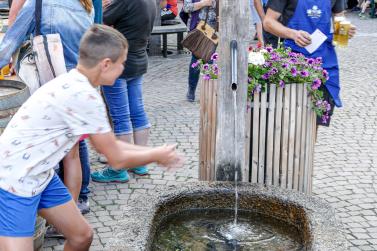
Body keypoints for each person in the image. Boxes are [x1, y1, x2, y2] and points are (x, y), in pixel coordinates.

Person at [0, 24, 182, 251]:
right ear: (106, 64)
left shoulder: (76, 83)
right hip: (13, 179)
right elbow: (116, 159)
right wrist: (156, 155)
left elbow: (111, 146)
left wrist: (155, 152)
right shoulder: (84, 96)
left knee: (81, 236)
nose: (123, 69)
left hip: (39, 174)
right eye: (121, 63)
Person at [90, 0, 157, 183]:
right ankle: (140, 162)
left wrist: (103, 7)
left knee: (121, 116)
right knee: (138, 112)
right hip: (139, 59)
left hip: (118, 64)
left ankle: (117, 169)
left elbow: (98, 23)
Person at [263, 0, 356, 126]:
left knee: (314, 120)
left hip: (324, 63)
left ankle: (309, 146)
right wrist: (292, 34)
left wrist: (344, 31)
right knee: (289, 119)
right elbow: (268, 22)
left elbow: (339, 16)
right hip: (293, 63)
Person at [183, 0, 216, 102]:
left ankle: (209, 90)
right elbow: (186, 8)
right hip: (198, 28)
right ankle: (192, 90)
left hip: (212, 29)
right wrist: (203, 3)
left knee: (210, 59)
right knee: (196, 58)